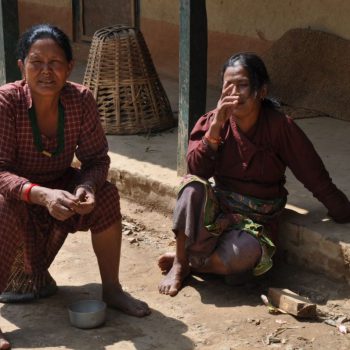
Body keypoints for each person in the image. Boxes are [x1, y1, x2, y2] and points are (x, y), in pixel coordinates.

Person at [158, 52, 350, 297]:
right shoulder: (212, 122)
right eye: (228, 86)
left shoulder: (281, 127)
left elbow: (313, 175)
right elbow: (197, 170)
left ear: (261, 91)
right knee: (191, 186)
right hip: (219, 209)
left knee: (242, 256)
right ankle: (179, 264)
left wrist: (341, 210)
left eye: (242, 85)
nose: (234, 93)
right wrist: (216, 128)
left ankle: (190, 260)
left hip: (255, 221)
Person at [0, 24, 151, 320]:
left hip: (60, 185)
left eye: (55, 63)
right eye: (36, 62)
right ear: (22, 66)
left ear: (69, 67)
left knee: (107, 194)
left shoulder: (80, 100)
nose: (46, 71)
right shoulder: (6, 102)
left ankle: (112, 288)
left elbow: (96, 159)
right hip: (17, 192)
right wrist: (41, 195)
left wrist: (88, 188)